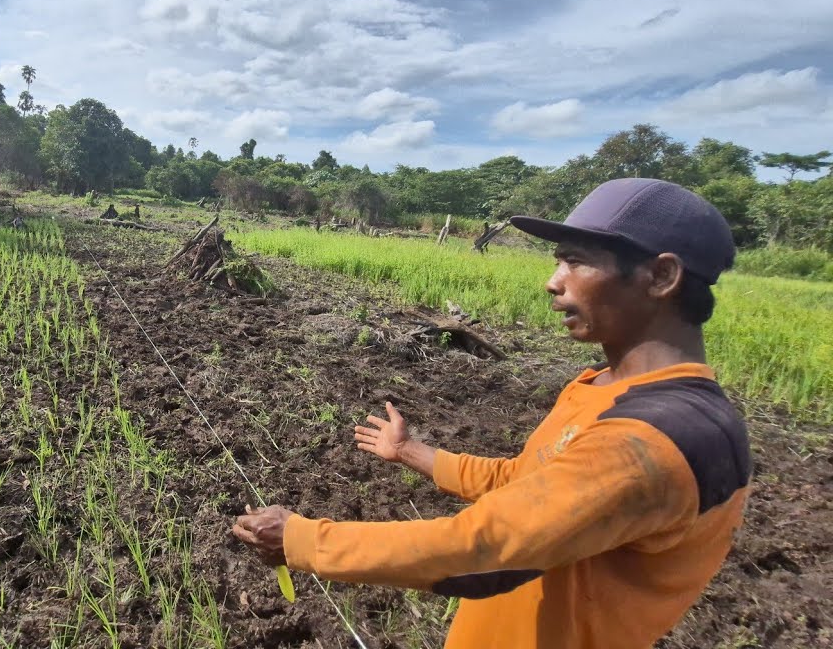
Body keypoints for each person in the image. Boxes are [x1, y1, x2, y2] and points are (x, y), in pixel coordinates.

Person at [232, 178, 752, 649]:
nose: (554, 281)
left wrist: (301, 539)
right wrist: (409, 451)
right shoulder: (601, 387)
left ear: (660, 276)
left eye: (575, 260)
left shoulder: (660, 440)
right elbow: (524, 483)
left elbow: (484, 550)